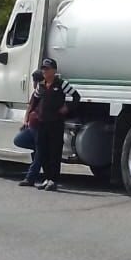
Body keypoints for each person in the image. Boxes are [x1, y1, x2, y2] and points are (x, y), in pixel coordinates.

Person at [29, 58, 79, 192]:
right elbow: (36, 99)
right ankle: (46, 178)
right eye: (43, 69)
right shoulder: (41, 85)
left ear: (54, 70)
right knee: (42, 151)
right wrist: (31, 114)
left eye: (47, 69)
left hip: (56, 122)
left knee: (54, 152)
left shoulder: (61, 84)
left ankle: (53, 180)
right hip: (42, 122)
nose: (45, 71)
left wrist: (67, 108)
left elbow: (76, 97)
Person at [17, 69, 44, 187]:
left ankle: (30, 177)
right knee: (19, 140)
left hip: (41, 126)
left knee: (39, 152)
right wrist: (25, 121)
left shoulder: (46, 91)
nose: (35, 84)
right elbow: (30, 107)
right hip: (32, 126)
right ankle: (38, 153)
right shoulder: (36, 93)